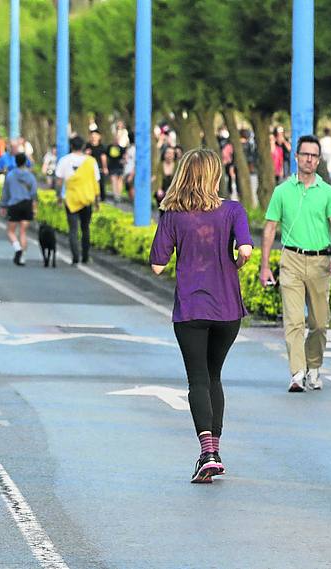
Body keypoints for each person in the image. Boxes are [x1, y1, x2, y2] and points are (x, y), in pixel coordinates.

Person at [149, 148, 253, 483]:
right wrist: (232, 265)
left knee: (197, 379)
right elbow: (246, 251)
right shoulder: (233, 210)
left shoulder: (172, 215)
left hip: (191, 308)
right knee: (214, 376)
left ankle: (208, 452)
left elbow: (157, 265)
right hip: (227, 308)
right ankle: (214, 451)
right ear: (214, 175)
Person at [260, 134, 331, 393]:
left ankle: (314, 366)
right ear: (295, 157)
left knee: (319, 323)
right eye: (304, 154)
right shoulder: (282, 191)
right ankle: (297, 373)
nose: (309, 159)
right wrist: (264, 265)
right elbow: (270, 228)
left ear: (318, 160)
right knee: (294, 320)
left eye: (313, 155)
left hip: (320, 262)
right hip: (292, 260)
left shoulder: (328, 192)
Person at [55, 136, 100, 265]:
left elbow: (59, 182)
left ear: (71, 146)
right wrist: (97, 201)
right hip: (87, 199)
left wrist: (58, 197)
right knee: (85, 228)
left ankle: (75, 257)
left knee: (73, 230)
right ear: (83, 146)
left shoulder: (64, 160)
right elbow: (96, 182)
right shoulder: (91, 161)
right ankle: (85, 256)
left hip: (71, 200)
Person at [0, 153, 38, 265]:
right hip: (27, 205)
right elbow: (34, 193)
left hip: (14, 205)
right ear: (25, 162)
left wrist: (3, 205)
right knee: (23, 232)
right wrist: (34, 208)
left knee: (10, 231)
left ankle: (17, 249)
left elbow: (5, 192)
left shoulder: (10, 175)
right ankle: (23, 257)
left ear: (15, 161)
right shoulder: (30, 176)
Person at [85, 130, 108, 201]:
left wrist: (105, 168)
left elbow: (103, 158)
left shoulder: (102, 146)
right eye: (92, 136)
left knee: (101, 184)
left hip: (99, 167)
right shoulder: (87, 146)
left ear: (99, 137)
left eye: (95, 135)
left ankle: (102, 199)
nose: (94, 137)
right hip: (89, 168)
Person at [154, 146, 177, 213]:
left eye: (171, 153)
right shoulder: (160, 165)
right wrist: (158, 189)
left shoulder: (177, 165)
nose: (169, 155)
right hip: (163, 189)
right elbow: (158, 177)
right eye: (168, 153)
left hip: (173, 189)